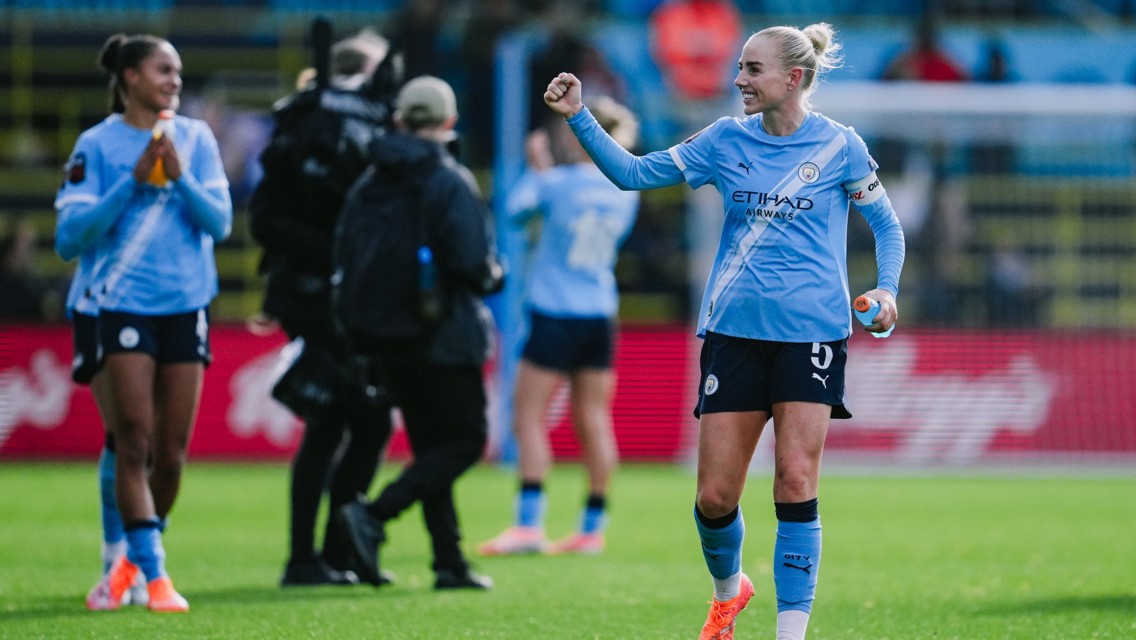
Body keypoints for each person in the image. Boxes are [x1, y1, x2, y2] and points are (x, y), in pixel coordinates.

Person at [541, 22, 904, 640]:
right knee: (714, 498)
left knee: (795, 479)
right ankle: (727, 593)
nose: (738, 79)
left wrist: (887, 290)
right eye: (739, 67)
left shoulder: (841, 147)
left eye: (752, 70)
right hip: (733, 335)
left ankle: (791, 633)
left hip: (812, 333)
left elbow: (887, 229)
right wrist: (579, 117)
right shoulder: (723, 140)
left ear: (793, 78)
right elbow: (634, 174)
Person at [55, 32, 232, 613]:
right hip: (118, 303)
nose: (175, 81)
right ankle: (152, 576)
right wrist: (131, 181)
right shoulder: (96, 145)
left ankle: (124, 567)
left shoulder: (197, 139)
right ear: (130, 77)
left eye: (179, 72)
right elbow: (67, 239)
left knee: (171, 453)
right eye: (163, 70)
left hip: (185, 305)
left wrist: (178, 177)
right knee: (131, 437)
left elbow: (221, 224)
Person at [337, 75, 505, 591]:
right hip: (445, 331)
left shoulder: (370, 180)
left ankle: (448, 562)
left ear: (400, 119)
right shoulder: (448, 178)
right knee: (465, 439)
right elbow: (473, 264)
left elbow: (345, 253)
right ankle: (375, 515)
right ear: (448, 122)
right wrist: (495, 274)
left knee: (432, 445)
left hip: (389, 336)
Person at [249, 27, 400, 587]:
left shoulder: (307, 122)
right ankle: (314, 555)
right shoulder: (311, 125)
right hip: (322, 297)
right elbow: (268, 218)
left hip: (343, 296)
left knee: (355, 422)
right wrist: (338, 258)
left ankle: (326, 552)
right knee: (348, 419)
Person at [477, 97, 640, 557]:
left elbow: (514, 210)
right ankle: (592, 527)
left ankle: (529, 525)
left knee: (527, 415)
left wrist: (538, 168)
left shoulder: (559, 182)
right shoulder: (624, 189)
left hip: (553, 310)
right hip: (600, 312)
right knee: (593, 419)